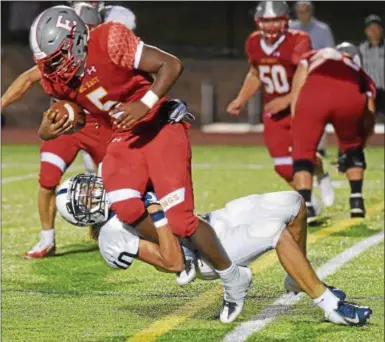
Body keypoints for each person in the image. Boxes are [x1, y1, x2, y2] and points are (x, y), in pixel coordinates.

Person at [29, 6, 252, 324]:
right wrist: (45, 132)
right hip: (125, 138)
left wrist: (144, 103)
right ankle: (183, 253)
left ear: (77, 41)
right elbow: (68, 118)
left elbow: (171, 65)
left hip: (159, 127)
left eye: (57, 60)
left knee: (183, 222)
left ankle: (233, 279)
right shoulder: (58, 78)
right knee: (125, 208)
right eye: (47, 63)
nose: (52, 70)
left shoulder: (109, 40)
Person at [55, 173, 373, 326]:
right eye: (84, 199)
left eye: (88, 187)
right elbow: (171, 261)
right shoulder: (111, 235)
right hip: (204, 254)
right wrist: (157, 213)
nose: (94, 192)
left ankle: (296, 281)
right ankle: (329, 304)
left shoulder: (120, 191)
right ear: (81, 215)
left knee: (293, 203)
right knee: (274, 231)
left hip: (208, 223)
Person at [0, 3, 112, 259]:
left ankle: (110, 227)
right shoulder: (56, 50)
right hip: (64, 125)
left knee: (111, 182)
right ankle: (46, 239)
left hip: (99, 124)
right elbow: (29, 77)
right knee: (47, 179)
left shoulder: (102, 47)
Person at [226, 1, 334, 221]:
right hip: (274, 112)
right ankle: (310, 199)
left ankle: (312, 193)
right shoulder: (254, 42)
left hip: (300, 106)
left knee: (303, 157)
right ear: (258, 22)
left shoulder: (299, 40)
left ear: (285, 21)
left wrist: (286, 100)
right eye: (266, 21)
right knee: (282, 166)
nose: (270, 26)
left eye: (275, 20)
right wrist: (241, 99)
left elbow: (307, 74)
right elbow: (257, 72)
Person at [290, 42, 376, 219]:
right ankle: (356, 200)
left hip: (315, 94)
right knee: (352, 146)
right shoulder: (358, 71)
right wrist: (359, 144)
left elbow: (297, 89)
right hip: (348, 96)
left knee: (303, 151)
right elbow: (370, 112)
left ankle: (306, 205)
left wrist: (297, 121)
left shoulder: (314, 56)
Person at [289, 1, 335, 157]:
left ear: (312, 12)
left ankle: (320, 147)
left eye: (306, 10)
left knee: (318, 112)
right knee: (295, 110)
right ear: (296, 12)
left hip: (317, 75)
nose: (303, 14)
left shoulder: (323, 30)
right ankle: (297, 144)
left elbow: (330, 52)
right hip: (296, 76)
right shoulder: (290, 29)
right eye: (300, 11)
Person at [359, 15, 385, 118]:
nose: (373, 30)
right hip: (369, 94)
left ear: (381, 29)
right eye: (370, 28)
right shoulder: (361, 49)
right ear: (366, 31)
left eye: (376, 27)